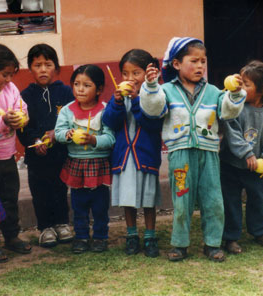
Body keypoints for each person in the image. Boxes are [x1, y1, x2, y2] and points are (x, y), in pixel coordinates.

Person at [140, 37, 246, 262]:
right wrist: (150, 86)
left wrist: (235, 93)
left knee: (213, 200)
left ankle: (212, 244)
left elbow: (228, 111)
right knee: (182, 200)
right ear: (176, 64)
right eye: (194, 61)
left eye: (203, 61)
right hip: (180, 154)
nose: (200, 66)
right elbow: (152, 109)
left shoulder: (214, 92)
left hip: (208, 154)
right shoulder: (166, 91)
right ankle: (180, 244)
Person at [102, 49, 163, 257]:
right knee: (128, 200)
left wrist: (137, 100)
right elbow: (109, 121)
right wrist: (118, 102)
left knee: (148, 200)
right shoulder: (117, 98)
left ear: (148, 74)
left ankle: (150, 237)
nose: (130, 79)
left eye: (135, 73)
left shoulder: (153, 97)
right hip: (124, 158)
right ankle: (131, 236)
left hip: (145, 157)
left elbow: (151, 123)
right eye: (125, 74)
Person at [219, 60, 263, 253]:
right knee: (231, 201)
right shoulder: (235, 107)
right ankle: (230, 237)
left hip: (256, 168)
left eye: (246, 84)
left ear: (262, 90)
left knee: (258, 198)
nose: (241, 87)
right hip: (230, 164)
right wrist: (247, 153)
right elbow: (232, 132)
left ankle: (260, 231)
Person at [17, 44, 74, 248]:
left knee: (59, 188)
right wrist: (34, 141)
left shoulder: (66, 92)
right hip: (36, 156)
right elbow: (22, 126)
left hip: (61, 152)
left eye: (48, 64)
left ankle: (62, 223)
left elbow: (72, 119)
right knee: (40, 191)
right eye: (37, 65)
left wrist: (57, 135)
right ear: (30, 69)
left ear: (56, 68)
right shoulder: (24, 96)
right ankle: (45, 227)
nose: (43, 69)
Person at [55, 65, 115, 254]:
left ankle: (100, 237)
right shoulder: (67, 111)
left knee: (100, 206)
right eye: (76, 84)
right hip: (76, 164)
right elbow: (57, 133)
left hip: (99, 164)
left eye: (86, 85)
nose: (80, 89)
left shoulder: (105, 110)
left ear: (98, 89)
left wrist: (93, 139)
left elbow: (111, 138)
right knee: (78, 205)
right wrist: (68, 133)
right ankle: (81, 237)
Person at [0, 44, 31, 262]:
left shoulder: (11, 90)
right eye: (4, 74)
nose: (9, 79)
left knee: (9, 197)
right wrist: (3, 121)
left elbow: (22, 108)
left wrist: (21, 117)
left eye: (11, 74)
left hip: (6, 156)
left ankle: (11, 236)